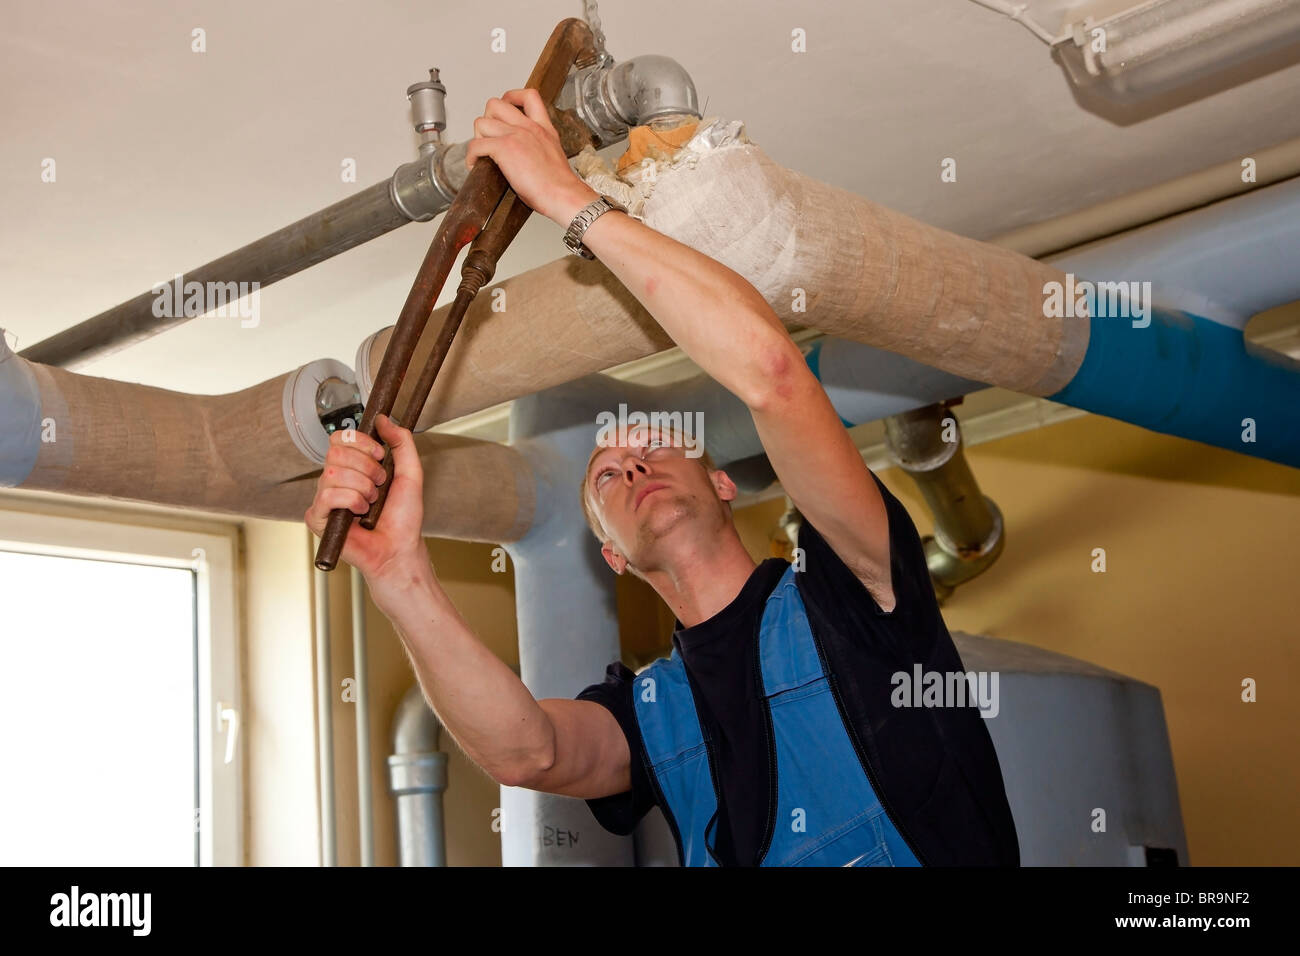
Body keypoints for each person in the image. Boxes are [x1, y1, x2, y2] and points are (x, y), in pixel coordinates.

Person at [305, 88, 1020, 866]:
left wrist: (566, 199)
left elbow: (774, 374)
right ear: (612, 554)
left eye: (652, 446)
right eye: (605, 478)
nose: (631, 461)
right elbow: (528, 755)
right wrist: (399, 576)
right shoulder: (649, 714)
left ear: (722, 484)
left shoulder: (849, 582)